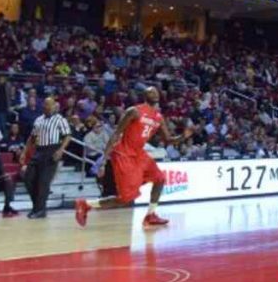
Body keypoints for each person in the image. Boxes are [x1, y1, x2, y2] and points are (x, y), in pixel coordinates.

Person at [74, 87, 193, 228]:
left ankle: (150, 215)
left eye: (155, 91)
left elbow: (168, 139)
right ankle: (86, 204)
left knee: (160, 178)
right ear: (145, 96)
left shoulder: (158, 117)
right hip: (123, 154)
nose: (154, 93)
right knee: (125, 199)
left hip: (139, 154)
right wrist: (104, 161)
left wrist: (182, 137)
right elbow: (116, 134)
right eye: (150, 91)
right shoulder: (134, 111)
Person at [21, 97, 72, 219]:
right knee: (28, 178)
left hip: (52, 150)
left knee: (43, 182)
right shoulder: (38, 120)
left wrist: (61, 150)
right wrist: (24, 152)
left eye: (49, 105)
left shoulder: (60, 119)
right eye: (45, 105)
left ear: (54, 106)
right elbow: (32, 138)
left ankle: (40, 210)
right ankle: (38, 207)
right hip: (39, 150)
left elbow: (67, 136)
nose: (47, 107)